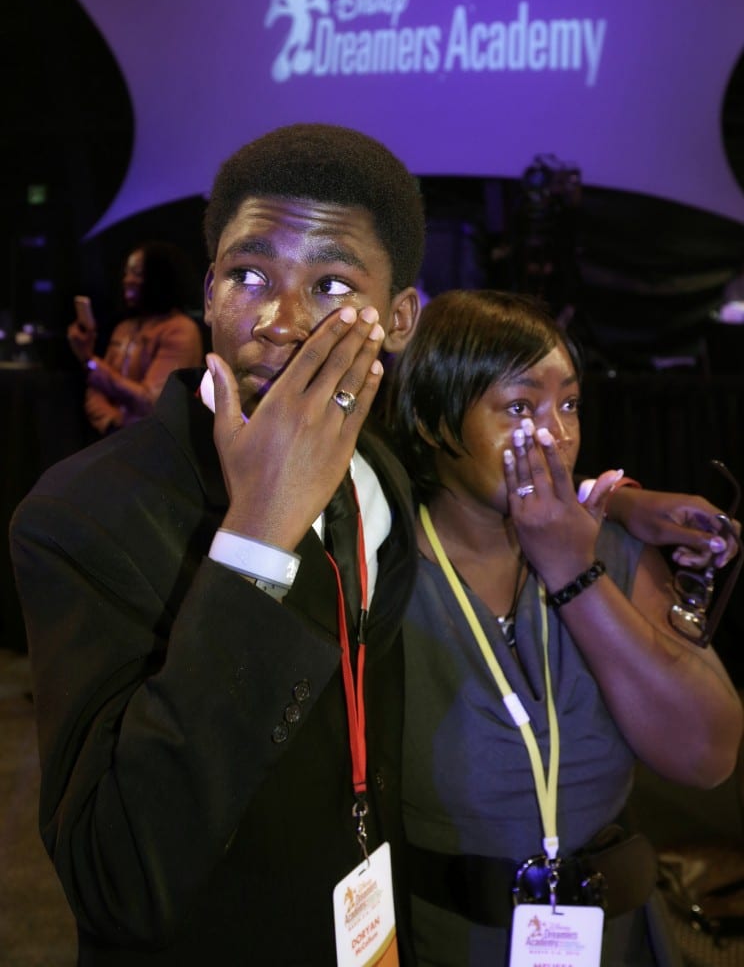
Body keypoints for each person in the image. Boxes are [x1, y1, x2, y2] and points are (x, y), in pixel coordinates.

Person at [9, 124, 740, 966]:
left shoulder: (381, 481)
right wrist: (258, 538)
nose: (280, 322)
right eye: (248, 275)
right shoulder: (84, 515)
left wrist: (622, 508)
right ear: (208, 292)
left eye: (329, 284)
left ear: (398, 320)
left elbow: (482, 501)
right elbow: (116, 883)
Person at [386, 289, 743, 967]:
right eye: (520, 408)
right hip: (449, 938)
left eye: (569, 404)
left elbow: (708, 755)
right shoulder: (386, 561)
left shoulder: (608, 548)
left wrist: (575, 571)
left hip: (610, 937)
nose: (557, 435)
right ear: (435, 421)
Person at [67, 240, 204, 435]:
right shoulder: (124, 328)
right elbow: (95, 392)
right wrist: (111, 423)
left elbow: (151, 403)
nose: (127, 280)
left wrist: (91, 361)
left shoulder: (181, 330)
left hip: (153, 446)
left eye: (137, 273)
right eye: (126, 273)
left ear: (159, 278)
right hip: (112, 440)